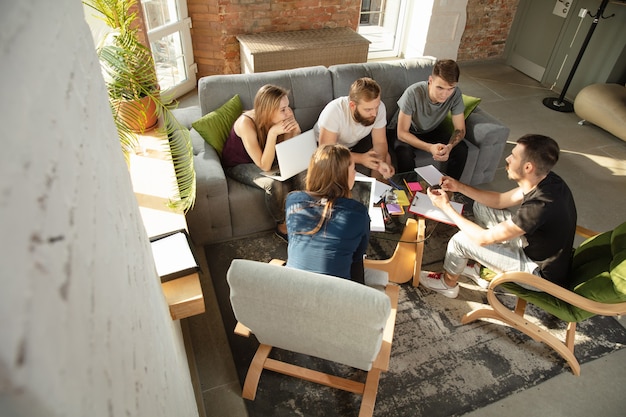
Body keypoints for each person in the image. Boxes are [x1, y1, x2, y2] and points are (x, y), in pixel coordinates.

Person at [419, 134, 577, 299]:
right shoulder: (547, 180)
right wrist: (458, 186)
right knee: (482, 206)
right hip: (533, 246)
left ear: (528, 167)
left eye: (514, 156)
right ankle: (480, 270)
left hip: (538, 273)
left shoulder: (540, 206)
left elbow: (482, 239)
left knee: (461, 241)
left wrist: (445, 207)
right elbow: (499, 201)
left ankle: (447, 285)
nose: (508, 158)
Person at [285, 144, 386, 287]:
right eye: (353, 170)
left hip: (290, 288)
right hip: (334, 298)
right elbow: (356, 260)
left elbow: (297, 243)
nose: (355, 173)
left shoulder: (293, 201)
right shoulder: (357, 213)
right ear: (342, 177)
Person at [221, 84, 303, 241]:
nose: (288, 112)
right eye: (283, 109)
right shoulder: (246, 123)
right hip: (239, 164)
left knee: (298, 172)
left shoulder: (281, 117)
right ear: (268, 110)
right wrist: (272, 133)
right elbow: (263, 165)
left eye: (288, 106)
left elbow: (284, 152)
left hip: (269, 158)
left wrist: (294, 131)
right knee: (276, 184)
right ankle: (282, 226)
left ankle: (303, 218)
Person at [392, 59, 468, 179]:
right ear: (430, 80)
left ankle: (449, 190)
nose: (445, 94)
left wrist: (449, 147)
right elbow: (402, 133)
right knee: (404, 152)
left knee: (461, 149)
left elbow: (460, 129)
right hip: (407, 130)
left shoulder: (456, 94)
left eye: (450, 88)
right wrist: (429, 148)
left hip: (431, 129)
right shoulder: (413, 93)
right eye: (440, 88)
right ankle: (410, 193)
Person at [314, 77, 395, 180]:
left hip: (354, 144)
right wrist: (361, 159)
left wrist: (380, 163)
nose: (374, 113)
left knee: (385, 157)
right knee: (335, 165)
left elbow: (380, 143)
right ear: (352, 105)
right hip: (325, 148)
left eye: (376, 107)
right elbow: (327, 151)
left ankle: (377, 193)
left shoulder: (379, 108)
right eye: (368, 109)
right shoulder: (334, 111)